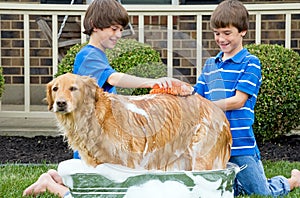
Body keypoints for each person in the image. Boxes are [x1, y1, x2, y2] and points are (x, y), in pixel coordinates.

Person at [23, 0, 188, 197]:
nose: (118, 35)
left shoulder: (97, 54)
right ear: (95, 25)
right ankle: (53, 185)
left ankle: (54, 177)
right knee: (99, 191)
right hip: (94, 145)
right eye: (114, 29)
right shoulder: (88, 56)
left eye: (120, 29)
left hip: (102, 139)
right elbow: (113, 77)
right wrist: (151, 83)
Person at [193, 0, 300, 196]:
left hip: (241, 144)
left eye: (227, 33)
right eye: (217, 33)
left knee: (262, 193)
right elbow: (195, 97)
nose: (221, 39)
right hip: (213, 145)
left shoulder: (250, 63)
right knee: (222, 192)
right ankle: (237, 185)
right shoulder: (210, 65)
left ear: (242, 31)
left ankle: (291, 181)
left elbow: (238, 101)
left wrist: (205, 105)